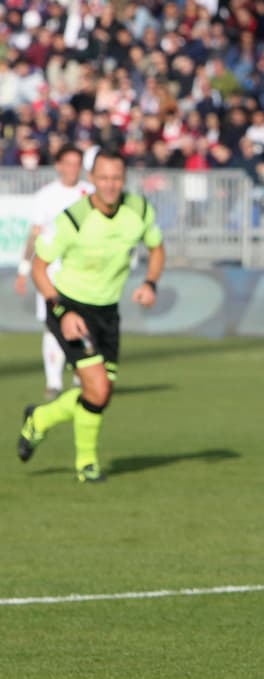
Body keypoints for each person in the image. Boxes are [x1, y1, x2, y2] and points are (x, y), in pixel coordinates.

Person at [16, 149, 166, 483]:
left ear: (124, 179)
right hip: (70, 309)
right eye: (104, 178)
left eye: (116, 178)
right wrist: (62, 312)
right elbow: (40, 268)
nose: (110, 185)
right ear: (92, 179)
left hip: (107, 314)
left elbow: (157, 248)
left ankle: (39, 419)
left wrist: (150, 283)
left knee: (100, 393)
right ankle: (86, 464)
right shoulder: (72, 219)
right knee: (97, 388)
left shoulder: (139, 210)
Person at [12, 145, 94, 400]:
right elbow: (35, 234)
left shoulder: (90, 193)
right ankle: (54, 382)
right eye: (68, 163)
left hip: (83, 271)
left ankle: (81, 377)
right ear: (58, 165)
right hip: (51, 272)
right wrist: (24, 269)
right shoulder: (46, 196)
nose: (72, 169)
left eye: (76, 164)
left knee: (83, 323)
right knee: (52, 325)